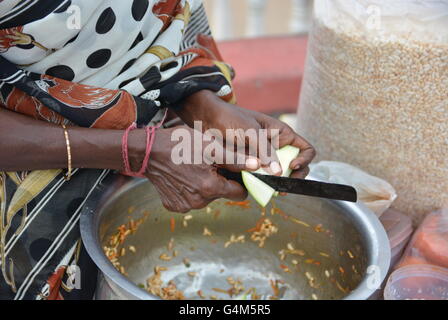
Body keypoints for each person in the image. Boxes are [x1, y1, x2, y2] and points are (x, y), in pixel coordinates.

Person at [0, 0, 315, 300]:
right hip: (33, 180)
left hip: (165, 134)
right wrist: (138, 151)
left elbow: (153, 22)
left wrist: (200, 104)